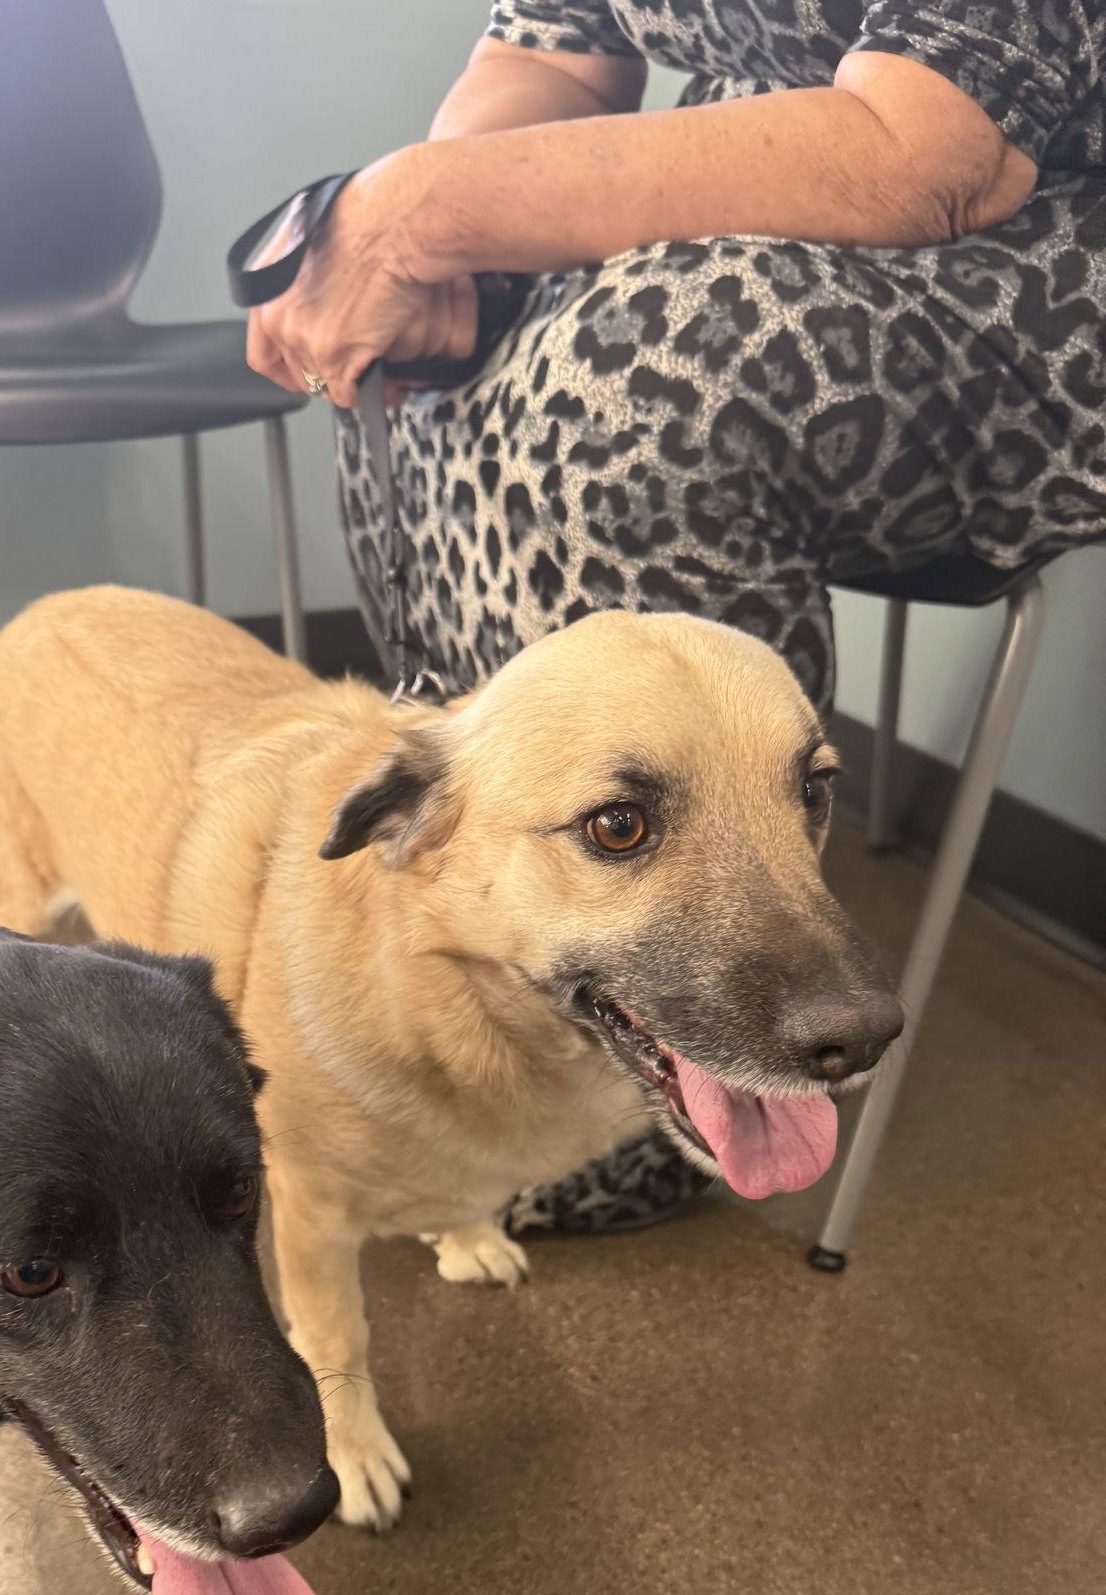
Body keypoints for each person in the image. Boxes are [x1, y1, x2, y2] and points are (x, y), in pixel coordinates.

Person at [245, 0, 1106, 1234]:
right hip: (748, 207)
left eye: (804, 785)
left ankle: (632, 1104)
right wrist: (460, 263)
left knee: (627, 377)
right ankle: (488, 915)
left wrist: (414, 210)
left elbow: (926, 154)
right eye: (623, 821)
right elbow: (543, 55)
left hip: (1034, 257)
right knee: (418, 363)